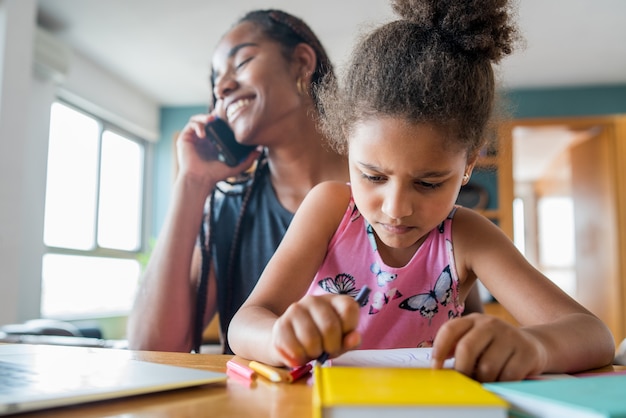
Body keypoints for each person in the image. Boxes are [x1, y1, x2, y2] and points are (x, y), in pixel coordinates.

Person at [227, 0, 616, 382]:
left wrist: (533, 346)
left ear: (468, 165)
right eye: (374, 176)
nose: (396, 209)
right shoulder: (329, 209)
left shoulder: (466, 237)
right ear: (347, 142)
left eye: (428, 183)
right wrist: (279, 336)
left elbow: (594, 335)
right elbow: (246, 322)